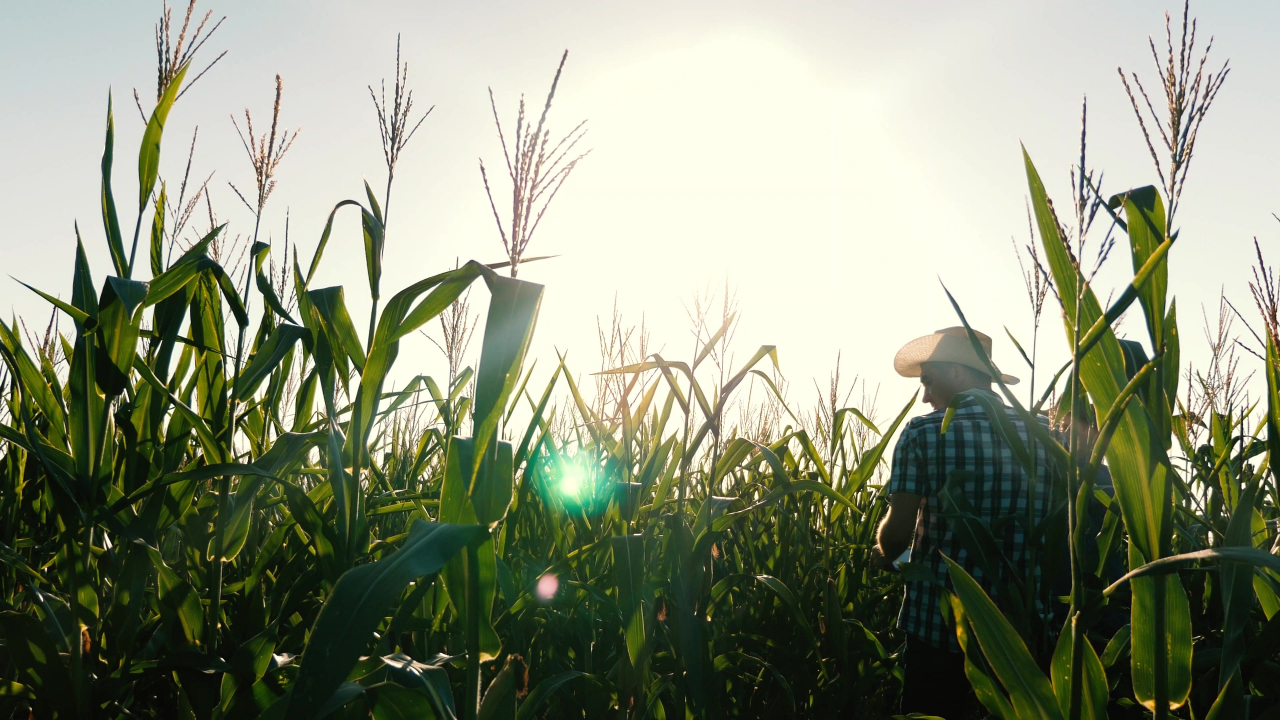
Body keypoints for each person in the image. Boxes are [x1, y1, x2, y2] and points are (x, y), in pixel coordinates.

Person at [870, 326, 1057, 718]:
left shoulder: (923, 432)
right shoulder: (1044, 432)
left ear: (956, 372)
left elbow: (896, 538)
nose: (925, 396)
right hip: (1021, 633)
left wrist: (881, 550)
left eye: (929, 381)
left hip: (939, 629)